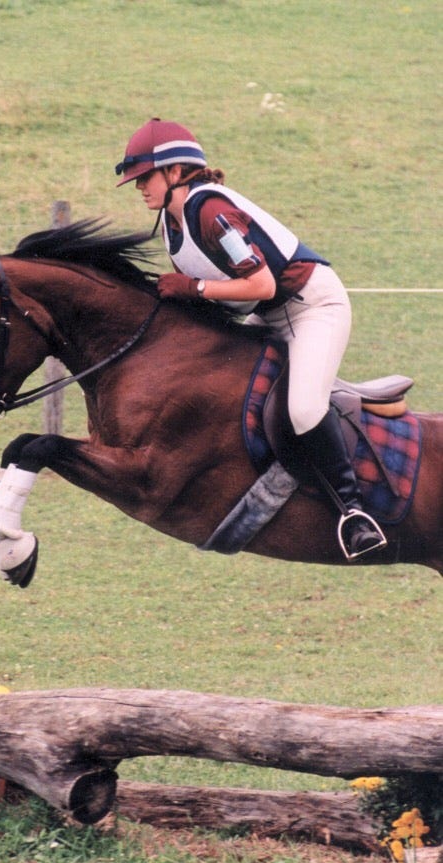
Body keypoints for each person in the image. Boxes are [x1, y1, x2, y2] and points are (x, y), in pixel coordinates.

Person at [114, 117, 386, 560]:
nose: (140, 187)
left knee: (302, 408)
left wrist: (195, 289)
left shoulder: (210, 213)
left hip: (312, 307)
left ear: (176, 172)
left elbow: (260, 285)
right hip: (268, 315)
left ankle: (354, 513)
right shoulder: (172, 221)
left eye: (145, 177)